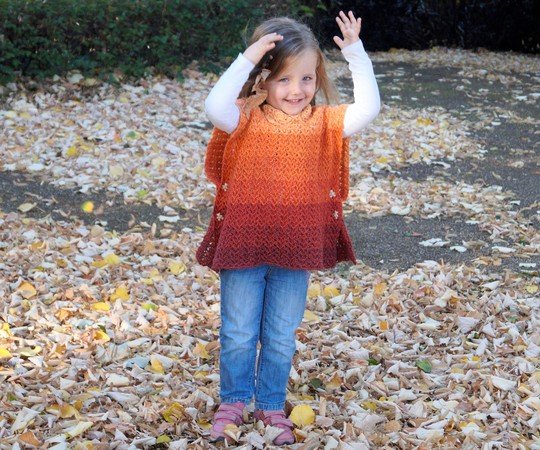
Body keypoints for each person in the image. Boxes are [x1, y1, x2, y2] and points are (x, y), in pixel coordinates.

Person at [196, 10, 380, 445]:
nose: (296, 90)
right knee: (239, 333)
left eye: (306, 79)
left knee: (280, 335)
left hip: (296, 251)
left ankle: (271, 404)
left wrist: (356, 53)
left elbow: (369, 108)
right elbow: (213, 106)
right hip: (244, 245)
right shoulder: (243, 118)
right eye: (283, 79)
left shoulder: (325, 124)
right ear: (263, 79)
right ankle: (234, 401)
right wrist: (247, 58)